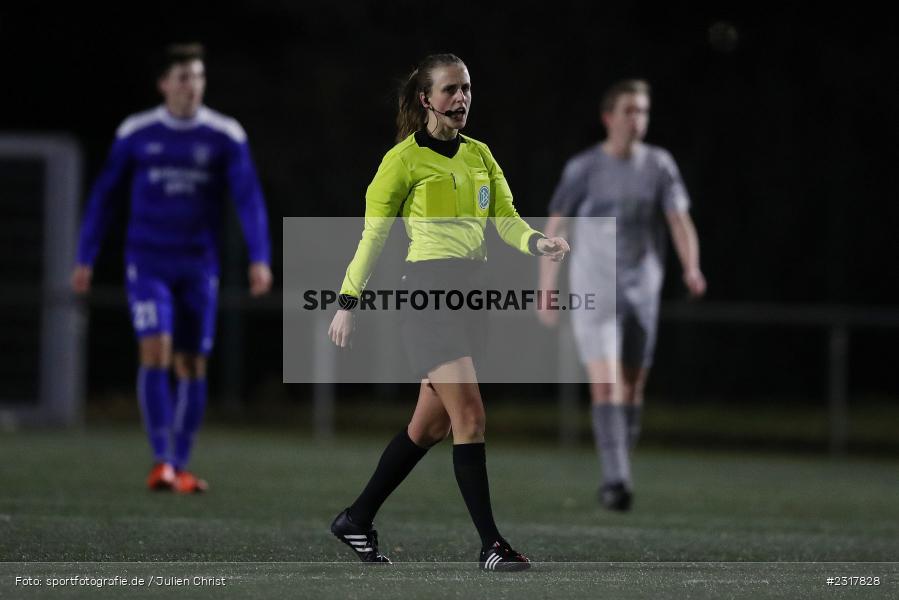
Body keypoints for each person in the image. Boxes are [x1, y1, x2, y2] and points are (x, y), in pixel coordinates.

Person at [327, 53, 569, 571]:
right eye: (449, 91)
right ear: (425, 100)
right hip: (429, 296)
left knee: (428, 428)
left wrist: (537, 243)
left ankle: (356, 519)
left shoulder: (480, 155)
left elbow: (505, 219)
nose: (460, 99)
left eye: (466, 89)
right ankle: (491, 545)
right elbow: (372, 238)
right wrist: (347, 302)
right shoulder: (402, 161)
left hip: (470, 298)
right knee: (470, 416)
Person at [71, 43, 273, 493]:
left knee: (192, 363)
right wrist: (85, 256)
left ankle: (179, 466)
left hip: (199, 265)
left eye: (198, 77)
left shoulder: (225, 134)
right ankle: (161, 460)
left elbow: (248, 198)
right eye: (183, 77)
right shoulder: (137, 132)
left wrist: (261, 257)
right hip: (147, 261)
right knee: (156, 351)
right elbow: (104, 197)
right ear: (164, 83)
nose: (191, 86)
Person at [538, 79, 706, 511]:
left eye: (644, 111)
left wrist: (691, 267)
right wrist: (547, 287)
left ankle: (618, 467)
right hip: (595, 288)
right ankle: (617, 481)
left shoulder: (660, 165)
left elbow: (679, 221)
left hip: (642, 291)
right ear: (609, 117)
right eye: (630, 110)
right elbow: (556, 227)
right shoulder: (585, 168)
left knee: (632, 388)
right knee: (608, 383)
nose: (638, 119)